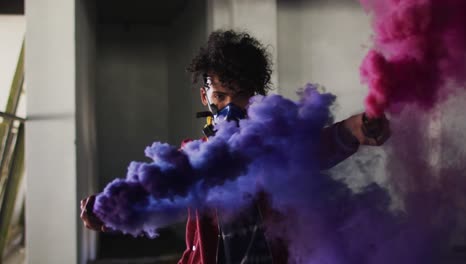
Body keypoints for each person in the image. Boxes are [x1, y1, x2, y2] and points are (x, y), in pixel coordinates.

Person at [81, 30, 390, 264]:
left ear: (255, 96)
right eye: (220, 97)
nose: (230, 107)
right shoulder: (193, 155)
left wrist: (358, 127)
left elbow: (317, 147)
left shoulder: (273, 145)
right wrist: (111, 208)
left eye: (240, 96)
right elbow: (159, 189)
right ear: (205, 97)